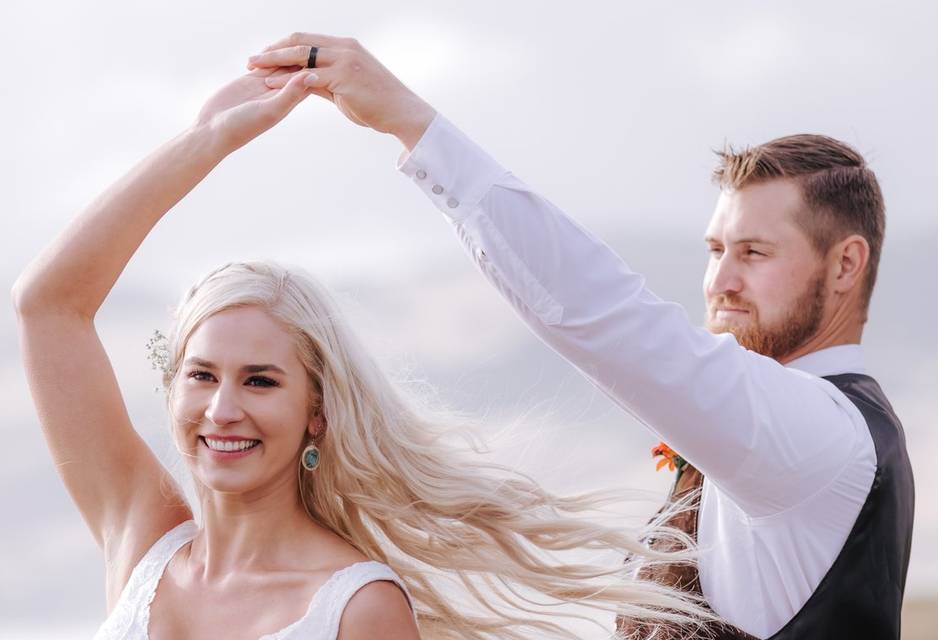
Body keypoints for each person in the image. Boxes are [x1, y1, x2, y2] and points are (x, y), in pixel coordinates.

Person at [245, 33, 916, 639]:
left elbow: (609, 316)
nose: (720, 282)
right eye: (716, 250)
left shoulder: (822, 436)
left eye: (755, 254)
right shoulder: (796, 431)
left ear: (846, 265)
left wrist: (412, 126)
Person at [12, 61, 709, 640]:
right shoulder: (142, 539)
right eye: (202, 375)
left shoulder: (357, 608)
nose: (223, 408)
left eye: (260, 382)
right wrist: (209, 139)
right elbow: (46, 306)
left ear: (317, 412)